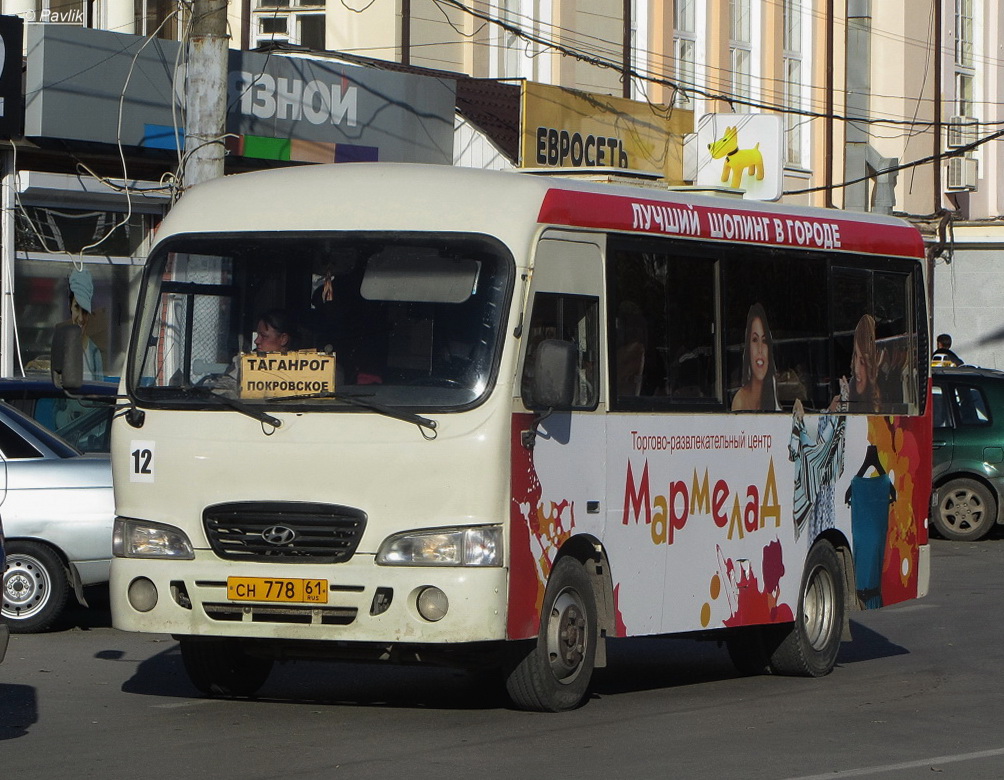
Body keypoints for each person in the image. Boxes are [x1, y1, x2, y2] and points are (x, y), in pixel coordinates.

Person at [731, 302, 779, 411]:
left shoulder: (774, 390)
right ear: (748, 348)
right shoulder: (740, 401)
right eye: (755, 340)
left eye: (764, 340)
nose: (760, 349)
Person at [68, 268, 103, 380]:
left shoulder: (94, 352)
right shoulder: (62, 348)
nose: (81, 318)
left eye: (85, 311)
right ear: (70, 308)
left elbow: (100, 392)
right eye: (77, 308)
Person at [847, 314, 882, 413]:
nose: (856, 369)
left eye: (862, 362)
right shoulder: (851, 387)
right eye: (855, 356)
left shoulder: (879, 400)